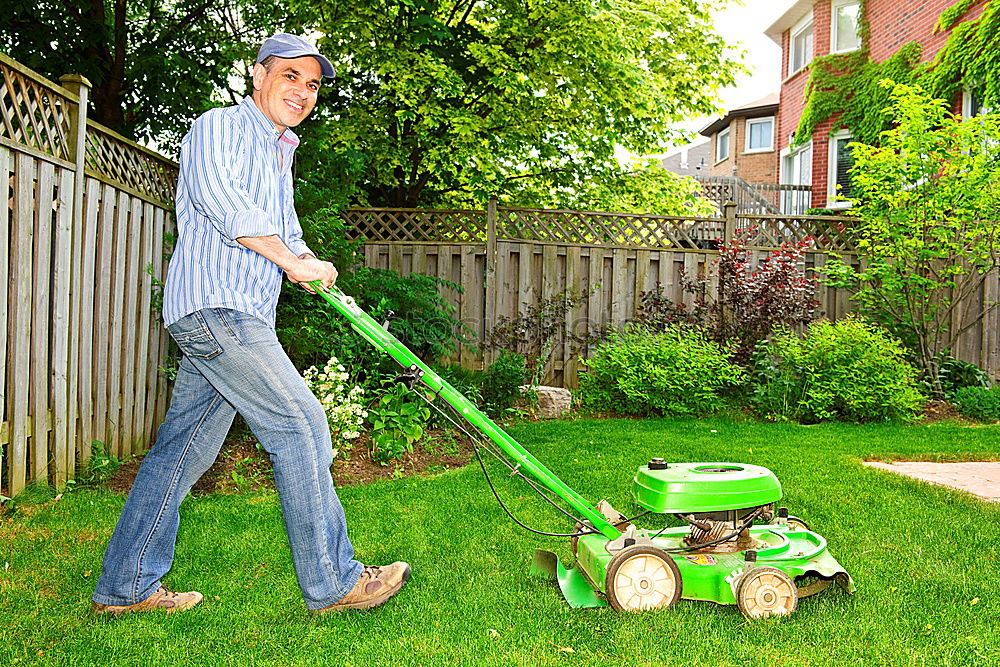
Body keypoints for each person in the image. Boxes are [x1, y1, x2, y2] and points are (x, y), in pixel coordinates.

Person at [91, 33, 409, 615]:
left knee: (179, 455)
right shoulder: (220, 127)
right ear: (258, 74)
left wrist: (304, 262)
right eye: (291, 76)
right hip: (220, 309)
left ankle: (125, 587)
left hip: (237, 314)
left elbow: (284, 230)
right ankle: (335, 582)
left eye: (312, 84)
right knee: (303, 428)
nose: (303, 91)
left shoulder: (280, 152)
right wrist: (288, 259)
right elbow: (223, 202)